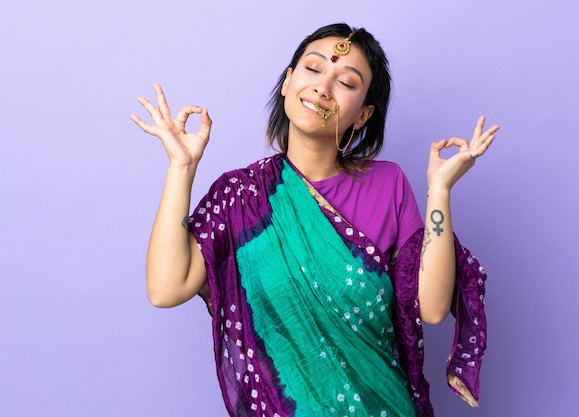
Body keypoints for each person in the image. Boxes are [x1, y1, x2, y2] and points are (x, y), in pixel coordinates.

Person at [131, 23, 498, 417]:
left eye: (347, 82)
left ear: (363, 115)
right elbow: (165, 290)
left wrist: (439, 190)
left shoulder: (387, 184)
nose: (324, 87)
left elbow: (432, 308)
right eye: (313, 68)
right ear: (288, 82)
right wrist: (182, 167)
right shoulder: (242, 198)